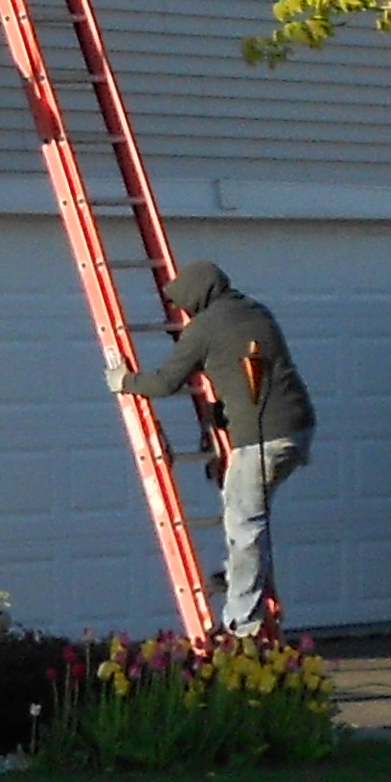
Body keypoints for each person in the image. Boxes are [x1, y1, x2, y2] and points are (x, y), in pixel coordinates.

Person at [116, 260, 316, 632]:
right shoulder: (254, 310)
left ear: (196, 296)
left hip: (262, 437)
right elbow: (251, 371)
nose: (182, 311)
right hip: (298, 427)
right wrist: (219, 415)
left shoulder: (205, 327)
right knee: (247, 508)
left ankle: (242, 620)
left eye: (183, 303)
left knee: (245, 522)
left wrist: (125, 380)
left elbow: (165, 382)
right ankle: (237, 573)